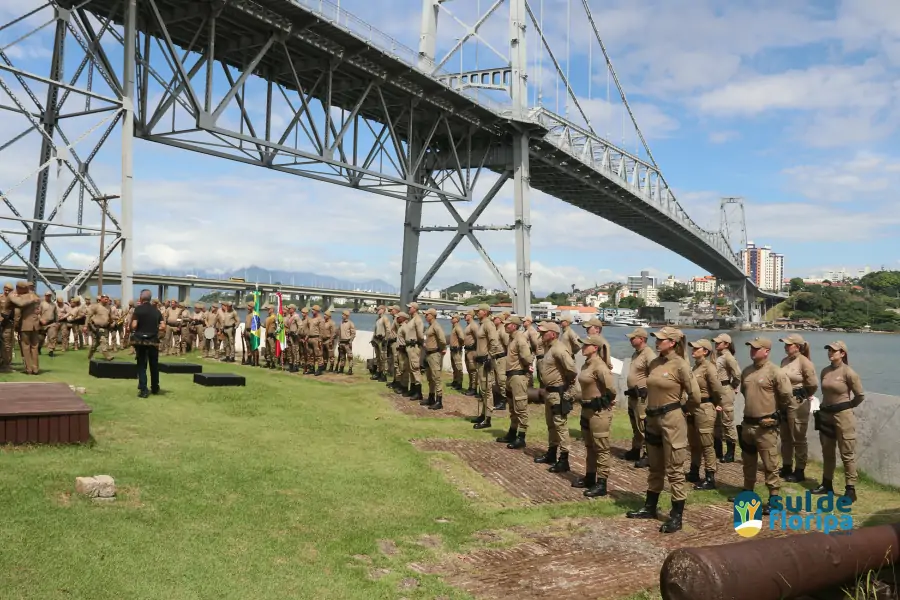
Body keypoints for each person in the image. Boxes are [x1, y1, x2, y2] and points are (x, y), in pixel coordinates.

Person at [626, 327, 699, 534]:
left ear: (672, 343)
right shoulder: (655, 363)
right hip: (652, 418)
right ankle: (650, 506)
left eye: (661, 340)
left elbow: (695, 396)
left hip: (671, 419)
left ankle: (676, 516)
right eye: (656, 339)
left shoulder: (681, 365)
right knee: (655, 465)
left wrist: (682, 410)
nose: (657, 342)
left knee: (674, 469)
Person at [729, 337, 793, 514]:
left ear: (766, 351)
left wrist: (775, 414)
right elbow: (744, 392)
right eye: (751, 347)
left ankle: (774, 499)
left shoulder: (776, 372)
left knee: (770, 463)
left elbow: (786, 396)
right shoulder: (747, 372)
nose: (752, 351)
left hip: (766, 426)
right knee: (748, 462)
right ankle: (748, 492)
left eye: (756, 348)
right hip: (748, 424)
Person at [813, 341, 865, 504]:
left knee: (847, 453)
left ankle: (850, 489)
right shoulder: (825, 371)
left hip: (843, 416)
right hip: (826, 415)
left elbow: (859, 396)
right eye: (829, 350)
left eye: (834, 351)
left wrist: (846, 406)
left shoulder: (849, 373)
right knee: (827, 452)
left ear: (842, 353)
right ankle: (826, 484)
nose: (830, 353)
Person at [573, 334, 616, 497]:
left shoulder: (600, 367)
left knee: (601, 448)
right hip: (586, 411)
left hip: (599, 413)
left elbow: (612, 390)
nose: (583, 347)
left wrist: (603, 401)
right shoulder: (586, 365)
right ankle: (590, 477)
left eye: (586, 345)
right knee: (589, 446)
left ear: (595, 348)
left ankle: (602, 483)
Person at [533, 321, 577, 473]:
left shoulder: (559, 349)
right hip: (549, 392)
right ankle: (551, 453)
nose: (541, 335)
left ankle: (564, 459)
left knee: (560, 425)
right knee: (551, 425)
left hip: (558, 393)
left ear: (553, 334)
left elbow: (571, 369)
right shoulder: (549, 348)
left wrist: (567, 388)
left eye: (544, 333)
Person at [778, 334, 818, 483]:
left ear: (798, 346)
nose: (785, 346)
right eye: (785, 344)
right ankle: (786, 466)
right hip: (783, 401)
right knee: (785, 436)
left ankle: (799, 470)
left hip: (797, 402)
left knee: (798, 436)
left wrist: (804, 394)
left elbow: (813, 384)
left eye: (789, 344)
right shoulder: (784, 361)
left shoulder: (804, 362)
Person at [687, 339, 723, 490]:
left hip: (705, 407)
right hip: (693, 407)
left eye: (696, 348)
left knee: (707, 444)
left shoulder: (709, 368)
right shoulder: (695, 367)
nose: (693, 350)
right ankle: (694, 471)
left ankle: (710, 477)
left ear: (705, 352)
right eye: (692, 348)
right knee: (694, 444)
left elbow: (717, 389)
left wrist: (717, 403)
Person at [496, 315, 532, 449]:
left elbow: (527, 358)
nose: (505, 326)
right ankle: (512, 432)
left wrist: (526, 368)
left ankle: (521, 437)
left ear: (515, 326)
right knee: (512, 408)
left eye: (508, 324)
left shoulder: (520, 338)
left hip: (518, 376)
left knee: (520, 408)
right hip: (510, 376)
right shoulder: (511, 338)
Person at [625, 327, 656, 468]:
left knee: (643, 425)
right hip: (633, 395)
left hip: (642, 396)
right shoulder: (636, 354)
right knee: (635, 424)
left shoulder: (648, 354)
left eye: (633, 338)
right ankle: (636, 449)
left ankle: (648, 454)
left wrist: (647, 389)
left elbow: (655, 374)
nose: (631, 340)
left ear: (642, 339)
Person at [712, 333, 741, 463]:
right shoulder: (717, 356)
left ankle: (730, 453)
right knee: (716, 421)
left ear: (726, 344)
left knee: (727, 420)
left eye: (719, 342)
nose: (716, 344)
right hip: (716, 390)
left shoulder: (728, 357)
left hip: (725, 389)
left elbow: (737, 375)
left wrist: (732, 386)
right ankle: (717, 450)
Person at [473, 304, 502, 429]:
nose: (477, 312)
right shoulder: (482, 324)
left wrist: (490, 357)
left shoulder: (488, 324)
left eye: (478, 311)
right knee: (483, 389)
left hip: (486, 361)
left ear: (484, 312)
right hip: (481, 360)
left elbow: (494, 342)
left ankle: (488, 418)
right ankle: (483, 414)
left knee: (487, 389)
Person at [131, 289, 163, 398]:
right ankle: (155, 387)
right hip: (153, 340)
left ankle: (144, 390)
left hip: (141, 341)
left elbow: (134, 325)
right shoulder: (157, 311)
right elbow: (163, 326)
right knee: (154, 365)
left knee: (141, 365)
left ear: (141, 298)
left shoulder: (138, 310)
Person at [9, 281, 40, 374]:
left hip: (25, 325)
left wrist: (16, 325)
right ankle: (36, 368)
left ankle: (29, 368)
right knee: (35, 346)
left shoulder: (21, 297)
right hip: (35, 325)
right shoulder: (35, 296)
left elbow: (18, 313)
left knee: (25, 347)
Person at [421, 308, 446, 408]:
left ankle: (439, 400)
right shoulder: (430, 326)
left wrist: (441, 349)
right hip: (428, 354)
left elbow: (442, 340)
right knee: (430, 377)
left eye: (427, 314)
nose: (425, 316)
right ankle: (431, 397)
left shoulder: (436, 326)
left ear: (432, 315)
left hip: (434, 354)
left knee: (436, 377)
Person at [405, 302, 425, 400]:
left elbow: (421, 335)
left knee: (415, 369)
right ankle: (413, 389)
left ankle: (418, 392)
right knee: (411, 369)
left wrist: (420, 343)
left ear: (415, 308)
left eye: (410, 307)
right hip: (409, 346)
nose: (408, 309)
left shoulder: (417, 320)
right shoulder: (412, 319)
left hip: (414, 347)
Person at [87, 293, 114, 361]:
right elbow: (88, 316)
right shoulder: (96, 306)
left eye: (107, 299)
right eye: (105, 299)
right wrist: (85, 326)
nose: (106, 300)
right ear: (101, 299)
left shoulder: (108, 307)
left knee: (96, 344)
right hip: (96, 327)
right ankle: (107, 356)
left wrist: (111, 321)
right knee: (103, 341)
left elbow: (110, 317)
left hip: (105, 328)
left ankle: (90, 355)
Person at [463, 311, 479, 396]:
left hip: (472, 350)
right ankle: (470, 386)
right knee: (469, 369)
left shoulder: (474, 325)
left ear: (471, 316)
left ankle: (473, 388)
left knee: (473, 370)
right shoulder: (468, 325)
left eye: (466, 315)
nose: (465, 316)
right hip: (467, 350)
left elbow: (478, 338)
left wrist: (475, 348)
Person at [372, 305, 389, 381]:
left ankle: (384, 374)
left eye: (379, 309)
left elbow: (388, 330)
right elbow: (375, 330)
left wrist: (385, 339)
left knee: (383, 358)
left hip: (382, 340)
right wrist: (373, 339)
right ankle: (378, 372)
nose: (377, 311)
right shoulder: (377, 319)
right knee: (378, 358)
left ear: (383, 310)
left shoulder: (385, 318)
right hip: (377, 340)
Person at [448, 314, 465, 390]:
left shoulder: (458, 327)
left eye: (453, 318)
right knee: (454, 367)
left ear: (457, 319)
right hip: (453, 350)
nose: (451, 319)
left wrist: (459, 345)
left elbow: (462, 337)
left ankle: (459, 383)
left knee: (458, 367)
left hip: (456, 350)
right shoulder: (454, 327)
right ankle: (455, 381)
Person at [337, 309, 356, 374]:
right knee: (342, 356)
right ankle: (341, 368)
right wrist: (339, 341)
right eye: (342, 314)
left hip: (347, 342)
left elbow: (353, 333)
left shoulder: (350, 323)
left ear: (347, 316)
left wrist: (351, 340)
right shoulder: (341, 323)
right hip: (341, 342)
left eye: (344, 315)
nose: (342, 316)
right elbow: (339, 332)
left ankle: (350, 369)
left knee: (350, 356)